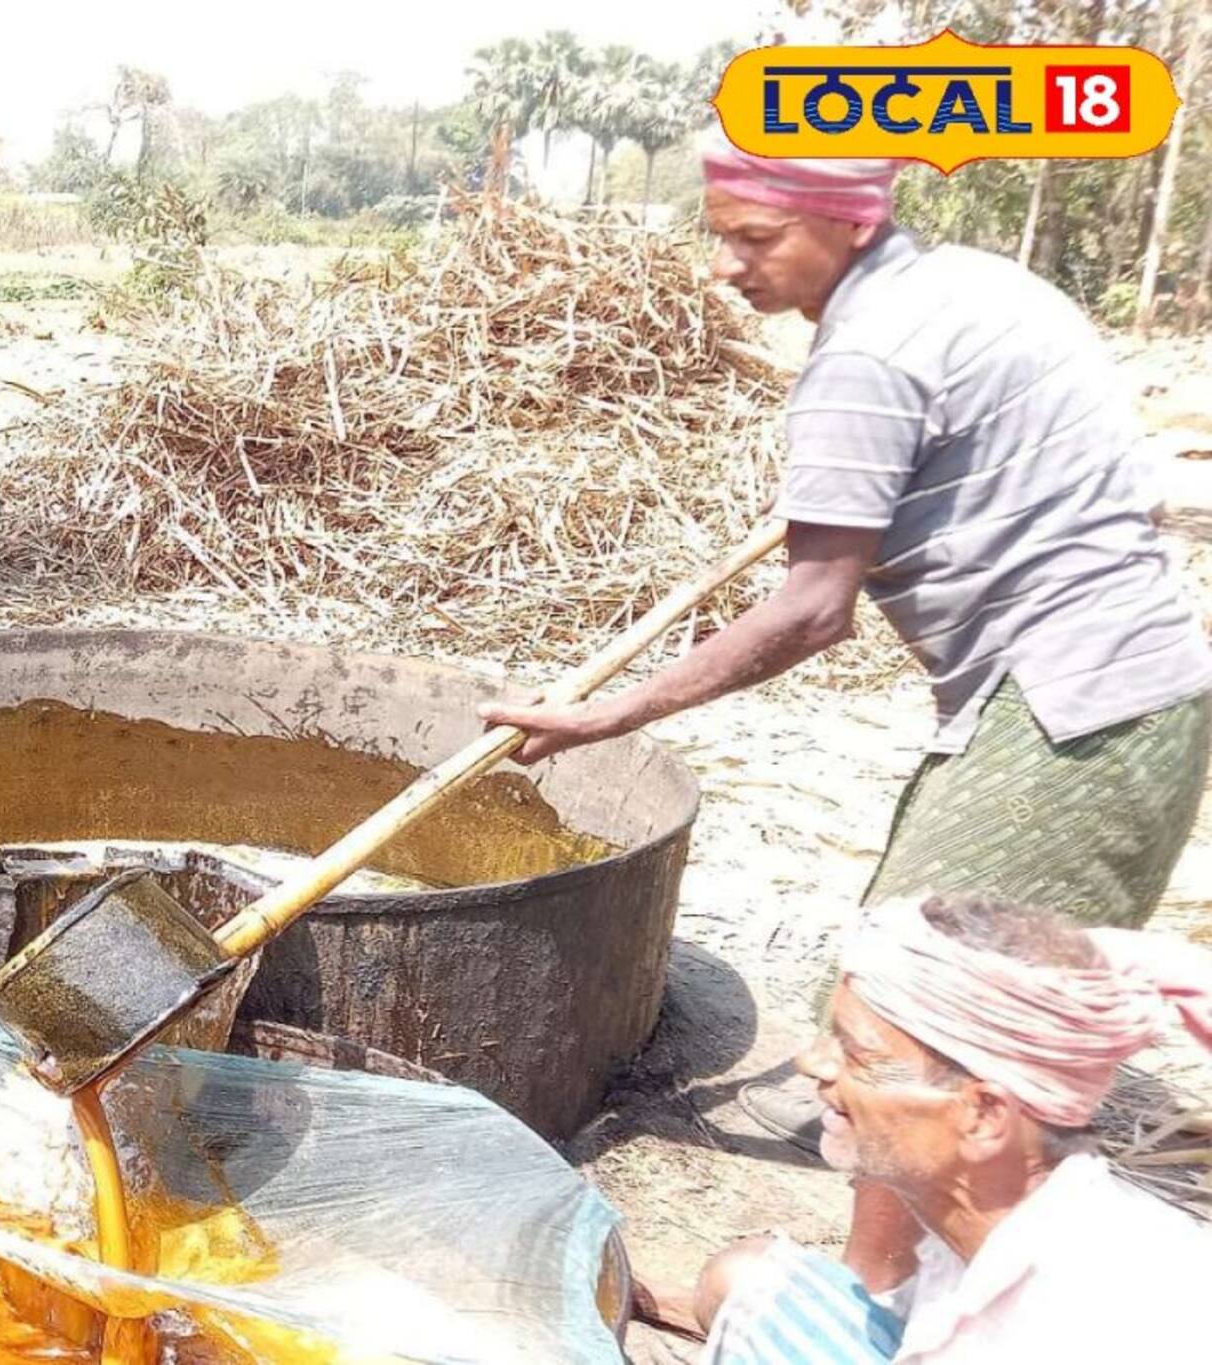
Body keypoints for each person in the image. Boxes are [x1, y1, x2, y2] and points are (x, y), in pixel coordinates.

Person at [477, 134, 1212, 1143]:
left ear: (852, 219)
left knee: (935, 1018)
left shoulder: (866, 358)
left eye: (756, 237)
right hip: (1126, 682)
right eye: (719, 234)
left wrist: (607, 714)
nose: (725, 266)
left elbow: (812, 611)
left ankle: (920, 1219)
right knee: (912, 980)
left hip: (1068, 705)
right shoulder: (978, 285)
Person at [654, 891, 1212, 1362]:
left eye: (857, 1054)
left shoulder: (1089, 1327)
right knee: (744, 1280)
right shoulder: (998, 1221)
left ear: (984, 1114)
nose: (811, 1063)